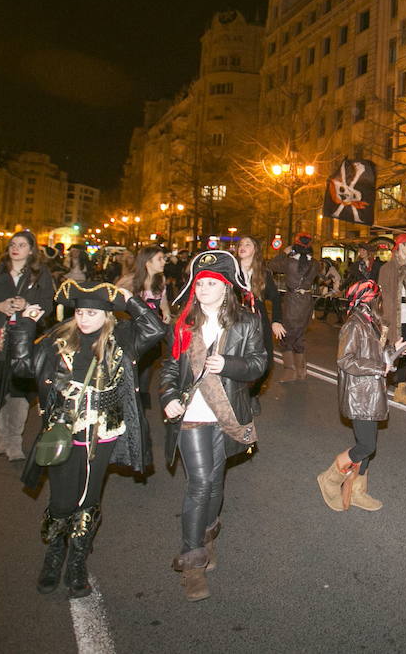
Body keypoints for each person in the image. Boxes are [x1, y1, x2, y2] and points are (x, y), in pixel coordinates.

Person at [10, 280, 164, 597]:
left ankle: (77, 561)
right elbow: (23, 368)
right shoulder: (57, 339)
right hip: (64, 430)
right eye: (80, 312)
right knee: (63, 500)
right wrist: (25, 325)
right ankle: (54, 556)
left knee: (88, 499)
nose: (84, 319)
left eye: (92, 313)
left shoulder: (121, 338)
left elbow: (155, 329)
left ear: (106, 315)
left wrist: (129, 300)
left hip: (104, 431)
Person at [159, 249, 268, 602]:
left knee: (216, 484)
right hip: (192, 415)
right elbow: (170, 370)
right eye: (198, 283)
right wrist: (168, 397)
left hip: (227, 414)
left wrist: (230, 364)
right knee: (200, 483)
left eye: (209, 283)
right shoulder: (183, 324)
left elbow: (258, 365)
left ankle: (207, 536)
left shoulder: (247, 322)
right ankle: (192, 562)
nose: (202, 288)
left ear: (225, 288)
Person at [316, 279, 406, 513]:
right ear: (369, 300)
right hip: (359, 395)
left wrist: (395, 350)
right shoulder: (354, 325)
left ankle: (358, 491)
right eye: (378, 298)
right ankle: (329, 479)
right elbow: (346, 360)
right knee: (366, 445)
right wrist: (380, 367)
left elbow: (376, 354)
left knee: (369, 445)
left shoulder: (370, 323)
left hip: (370, 393)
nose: (381, 302)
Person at [0, 230, 55, 462]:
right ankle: (3, 436)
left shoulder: (40, 275)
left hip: (25, 342)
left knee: (20, 391)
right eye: (12, 244)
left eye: (22, 245)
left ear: (31, 250)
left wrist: (29, 305)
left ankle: (14, 440)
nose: (16, 248)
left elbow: (48, 304)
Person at [232, 235, 284, 405]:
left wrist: (276, 321)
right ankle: (239, 397)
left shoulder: (263, 273)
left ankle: (253, 392)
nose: (243, 246)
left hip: (258, 321)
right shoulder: (230, 270)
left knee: (266, 364)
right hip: (234, 320)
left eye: (248, 244)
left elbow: (276, 298)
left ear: (255, 250)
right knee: (236, 361)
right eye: (241, 244)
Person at [377, 233, 406, 405]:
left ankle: (400, 390)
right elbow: (382, 296)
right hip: (391, 317)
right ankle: (380, 385)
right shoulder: (387, 269)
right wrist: (384, 320)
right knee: (389, 353)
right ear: (400, 247)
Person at [125, 245, 172, 410]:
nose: (164, 262)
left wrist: (166, 312)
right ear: (147, 262)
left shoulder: (161, 280)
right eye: (160, 259)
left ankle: (140, 400)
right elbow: (112, 299)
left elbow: (163, 302)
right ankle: (132, 400)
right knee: (134, 366)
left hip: (152, 332)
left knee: (147, 367)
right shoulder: (131, 280)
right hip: (134, 332)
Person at [267, 233, 318, 383]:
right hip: (307, 302)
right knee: (300, 335)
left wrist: (285, 252)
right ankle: (301, 370)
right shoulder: (315, 264)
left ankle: (290, 371)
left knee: (285, 337)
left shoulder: (289, 263)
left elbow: (271, 264)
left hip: (292, 302)